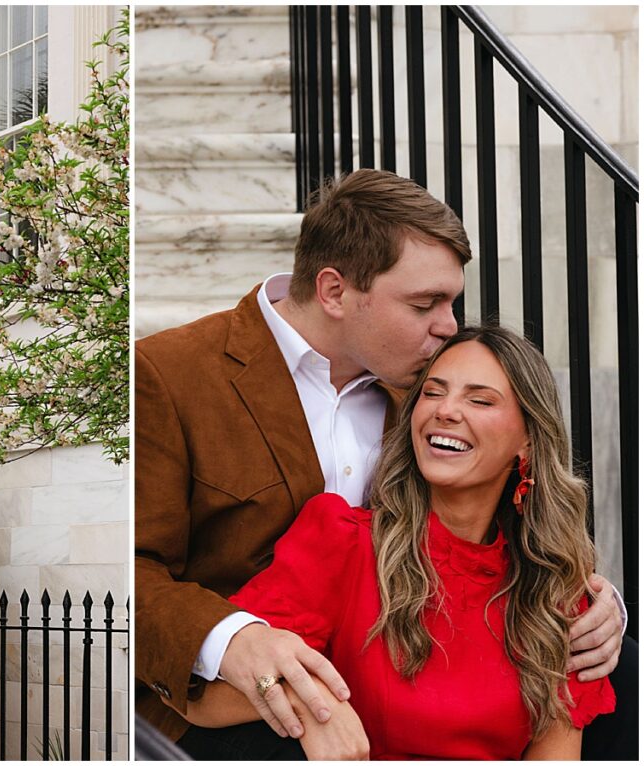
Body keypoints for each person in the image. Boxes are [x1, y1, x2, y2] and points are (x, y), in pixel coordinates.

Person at [134, 169, 629, 759]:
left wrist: (596, 602)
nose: (447, 326)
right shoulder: (168, 374)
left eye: (450, 302)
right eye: (425, 304)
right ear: (335, 291)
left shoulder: (423, 384)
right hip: (228, 698)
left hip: (428, 666)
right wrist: (233, 642)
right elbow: (128, 570)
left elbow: (512, 498)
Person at [184, 326, 615, 759]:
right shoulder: (343, 543)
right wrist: (317, 703)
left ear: (529, 442)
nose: (446, 410)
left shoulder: (558, 595)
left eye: (480, 400)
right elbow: (201, 696)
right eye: (432, 392)